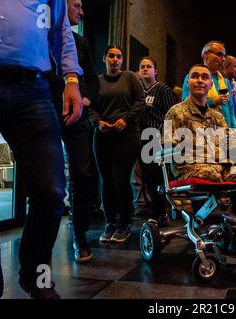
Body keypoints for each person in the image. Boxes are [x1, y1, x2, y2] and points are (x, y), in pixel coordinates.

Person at [0, 0, 83, 299]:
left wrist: (71, 80)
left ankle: (36, 276)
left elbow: (60, 30)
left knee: (51, 191)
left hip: (30, 89)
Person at [165, 64, 236, 261]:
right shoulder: (176, 113)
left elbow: (231, 143)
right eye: (195, 76)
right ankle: (226, 219)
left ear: (211, 84)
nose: (200, 80)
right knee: (210, 173)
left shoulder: (217, 116)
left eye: (204, 77)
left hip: (222, 169)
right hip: (192, 170)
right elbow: (167, 146)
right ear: (188, 82)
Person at [47, 0, 99, 263]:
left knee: (80, 175)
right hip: (45, 112)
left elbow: (91, 79)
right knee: (47, 178)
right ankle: (42, 244)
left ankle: (80, 237)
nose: (81, 11)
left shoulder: (81, 44)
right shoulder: (41, 36)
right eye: (76, 5)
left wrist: (86, 97)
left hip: (76, 116)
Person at [89, 45, 145, 244]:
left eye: (119, 56)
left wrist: (126, 119)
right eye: (111, 56)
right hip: (103, 135)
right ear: (104, 58)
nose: (115, 59)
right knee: (106, 181)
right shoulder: (96, 80)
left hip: (126, 135)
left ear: (122, 60)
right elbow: (90, 107)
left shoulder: (130, 77)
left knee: (120, 179)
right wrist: (98, 122)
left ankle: (125, 224)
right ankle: (110, 222)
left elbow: (141, 101)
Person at [138, 56, 176, 225]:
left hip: (157, 139)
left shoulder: (162, 89)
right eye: (142, 67)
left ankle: (161, 213)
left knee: (158, 179)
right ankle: (153, 209)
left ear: (156, 71)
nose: (145, 69)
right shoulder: (138, 91)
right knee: (147, 178)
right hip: (142, 139)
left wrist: (165, 142)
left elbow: (170, 117)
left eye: (149, 66)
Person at [181, 41, 236, 128]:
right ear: (206, 54)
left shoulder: (225, 81)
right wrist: (213, 101)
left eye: (224, 56)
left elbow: (231, 110)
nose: (222, 59)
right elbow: (185, 103)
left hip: (225, 130)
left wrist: (234, 129)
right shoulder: (192, 78)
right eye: (219, 54)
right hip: (202, 129)